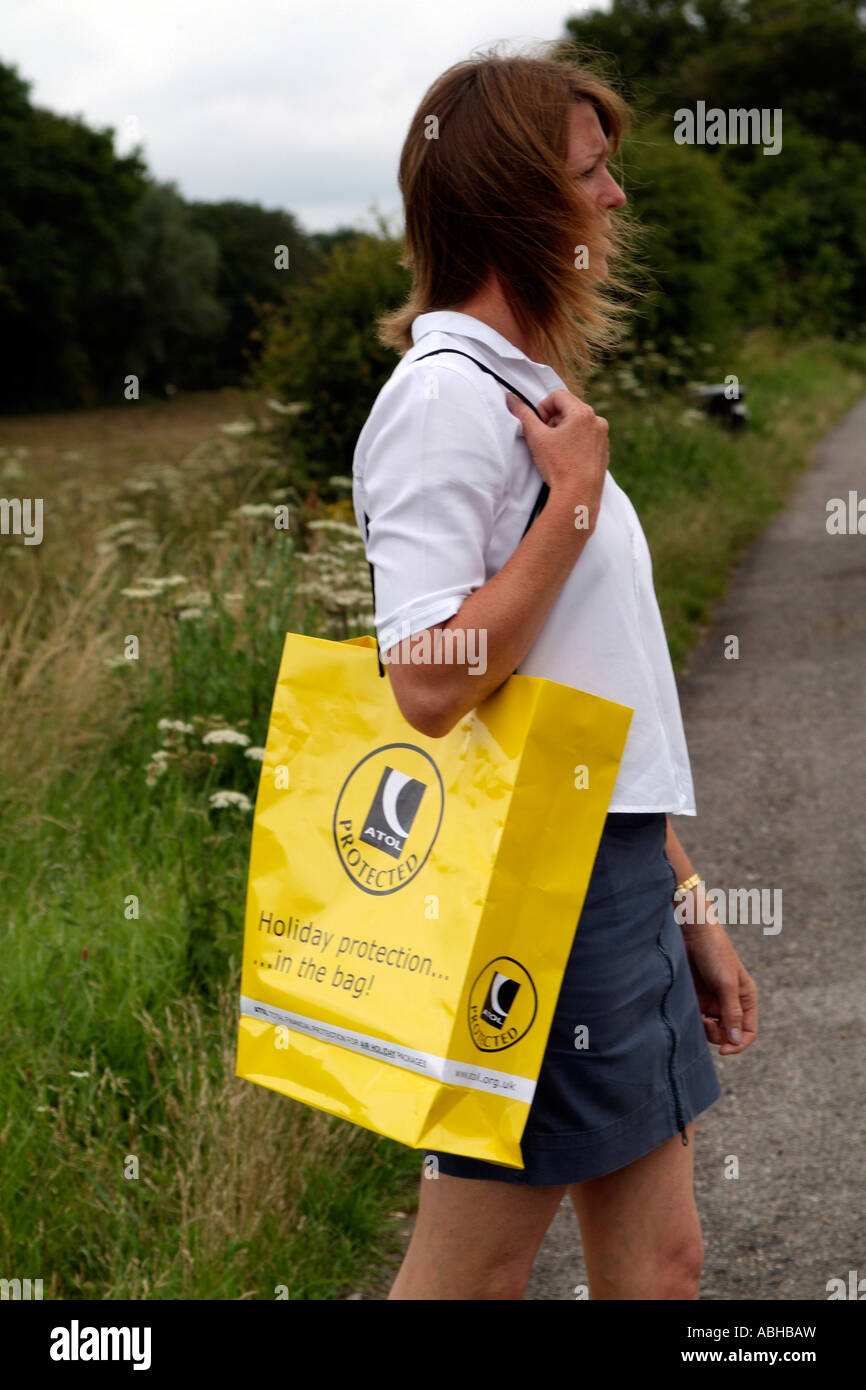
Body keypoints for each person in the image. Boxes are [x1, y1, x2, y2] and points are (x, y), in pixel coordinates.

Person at [351, 44, 758, 1301]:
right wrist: (569, 505)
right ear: (521, 203)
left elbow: (589, 678)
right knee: (468, 1276)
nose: (616, 201)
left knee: (661, 1266)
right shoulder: (442, 401)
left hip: (609, 866)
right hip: (528, 894)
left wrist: (679, 892)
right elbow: (426, 676)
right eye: (593, 174)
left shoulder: (525, 392)